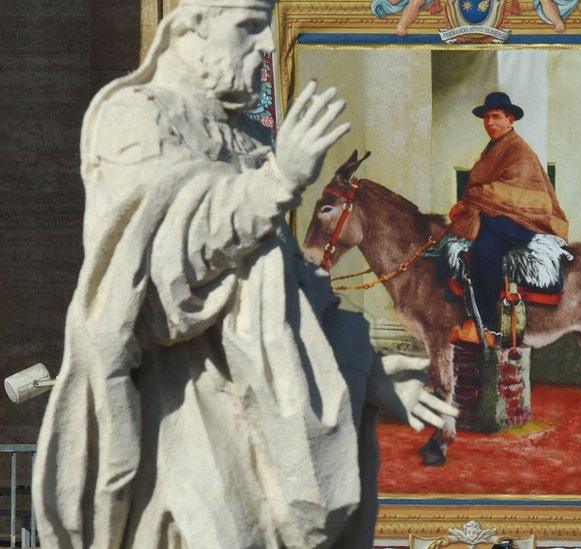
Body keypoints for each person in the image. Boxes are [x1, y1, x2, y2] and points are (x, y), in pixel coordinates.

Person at [31, 1, 454, 547]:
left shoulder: (252, 141)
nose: (265, 47)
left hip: (267, 419)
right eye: (250, 28)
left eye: (269, 29)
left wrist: (367, 371)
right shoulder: (136, 115)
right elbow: (159, 267)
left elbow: (283, 281)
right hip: (186, 407)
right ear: (190, 27)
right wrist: (279, 180)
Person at [448, 91, 568, 344]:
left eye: (496, 117)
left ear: (510, 120)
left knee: (484, 250)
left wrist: (472, 198)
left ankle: (489, 326)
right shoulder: (494, 149)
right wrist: (467, 204)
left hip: (525, 220)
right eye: (487, 118)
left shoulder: (518, 150)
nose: (490, 123)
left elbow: (511, 192)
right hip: (501, 215)